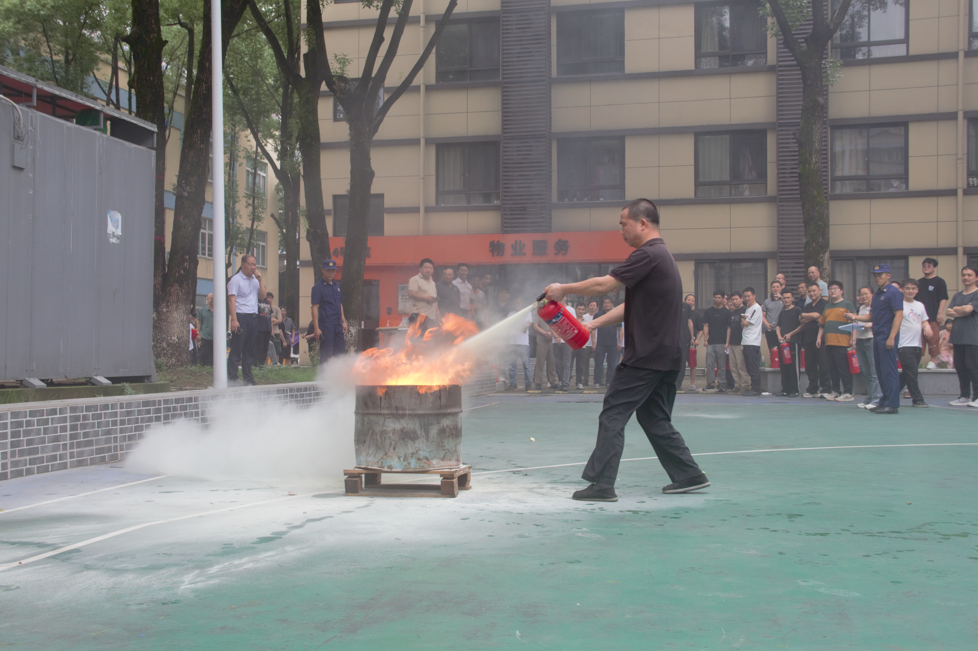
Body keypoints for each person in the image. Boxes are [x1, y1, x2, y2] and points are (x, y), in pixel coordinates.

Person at [544, 198, 709, 501]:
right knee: (654, 417)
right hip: (668, 357)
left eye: (624, 224)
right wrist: (592, 325)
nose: (621, 231)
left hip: (646, 356)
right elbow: (629, 308)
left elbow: (603, 286)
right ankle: (689, 474)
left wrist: (563, 289)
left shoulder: (647, 254)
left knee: (613, 414)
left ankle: (603, 484)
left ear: (642, 223)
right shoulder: (663, 257)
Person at [846, 264, 904, 414]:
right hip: (877, 336)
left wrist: (892, 336)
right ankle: (883, 401)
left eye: (881, 274)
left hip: (887, 336)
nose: (877, 277)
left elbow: (899, 314)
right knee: (880, 371)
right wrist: (855, 317)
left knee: (889, 371)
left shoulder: (893, 292)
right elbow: (871, 316)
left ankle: (892, 404)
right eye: (875, 275)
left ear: (888, 275)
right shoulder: (877, 294)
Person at [227, 253, 266, 385]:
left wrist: (260, 280)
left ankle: (248, 378)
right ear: (243, 265)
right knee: (237, 348)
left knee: (249, 350)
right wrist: (234, 319)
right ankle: (232, 377)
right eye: (250, 264)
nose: (253, 267)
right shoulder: (236, 280)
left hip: (253, 317)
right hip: (241, 316)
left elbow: (262, 295)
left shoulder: (255, 280)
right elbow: (231, 300)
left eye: (255, 264)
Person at [817, 280, 856, 401]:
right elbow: (822, 324)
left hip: (843, 342)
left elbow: (854, 323)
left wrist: (853, 339)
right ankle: (835, 390)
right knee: (832, 368)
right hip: (829, 342)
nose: (832, 291)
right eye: (830, 289)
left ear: (841, 291)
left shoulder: (847, 305)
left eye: (835, 288)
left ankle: (848, 392)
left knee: (843, 368)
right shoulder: (827, 306)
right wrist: (819, 337)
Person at [945, 266, 978, 406]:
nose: (966, 277)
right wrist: (963, 310)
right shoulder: (957, 295)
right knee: (960, 366)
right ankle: (964, 396)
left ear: (976, 277)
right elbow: (948, 311)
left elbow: (969, 309)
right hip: (957, 336)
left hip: (971, 336)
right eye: (964, 274)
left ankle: (976, 397)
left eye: (969, 275)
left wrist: (960, 309)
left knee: (973, 367)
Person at [896, 278, 932, 408]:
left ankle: (891, 394)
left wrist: (927, 328)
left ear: (917, 290)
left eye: (913, 289)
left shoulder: (920, 305)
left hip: (917, 345)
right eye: (907, 288)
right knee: (911, 373)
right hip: (903, 345)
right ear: (902, 290)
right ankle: (917, 399)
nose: (910, 291)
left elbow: (924, 321)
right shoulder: (898, 304)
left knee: (907, 373)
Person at [795, 284, 831, 398]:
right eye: (809, 292)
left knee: (823, 365)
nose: (812, 293)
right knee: (810, 366)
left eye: (814, 291)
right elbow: (801, 320)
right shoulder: (808, 305)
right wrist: (810, 317)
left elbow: (818, 316)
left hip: (821, 339)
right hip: (808, 338)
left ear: (820, 291)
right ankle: (812, 389)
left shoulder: (825, 304)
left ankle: (826, 388)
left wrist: (806, 315)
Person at [311, 259, 347, 365]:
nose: (331, 273)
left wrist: (343, 321)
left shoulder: (337, 286)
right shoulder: (318, 287)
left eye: (333, 270)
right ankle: (324, 377)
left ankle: (339, 376)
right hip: (326, 324)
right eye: (328, 270)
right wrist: (316, 328)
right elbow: (314, 307)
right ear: (323, 270)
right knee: (327, 352)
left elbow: (340, 304)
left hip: (338, 324)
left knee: (340, 352)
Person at [854, 286, 882, 409]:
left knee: (874, 372)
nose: (863, 296)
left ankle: (877, 399)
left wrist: (870, 325)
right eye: (861, 294)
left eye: (866, 294)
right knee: (867, 372)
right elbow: (858, 323)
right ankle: (869, 398)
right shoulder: (861, 308)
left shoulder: (876, 307)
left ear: (872, 294)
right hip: (860, 340)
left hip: (871, 340)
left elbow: (880, 322)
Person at [918, 258, 949, 368]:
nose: (926, 267)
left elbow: (943, 298)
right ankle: (917, 361)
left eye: (929, 265)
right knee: (918, 339)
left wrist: (940, 313)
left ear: (934, 268)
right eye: (924, 265)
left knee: (933, 338)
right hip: (918, 317)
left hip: (932, 315)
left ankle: (932, 361)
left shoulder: (939, 281)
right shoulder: (919, 282)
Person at [701, 291, 730, 392]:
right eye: (715, 297)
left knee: (722, 365)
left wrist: (727, 342)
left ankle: (721, 384)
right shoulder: (708, 311)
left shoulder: (727, 312)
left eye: (719, 297)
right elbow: (706, 325)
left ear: (723, 299)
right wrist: (705, 340)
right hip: (711, 342)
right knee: (709, 364)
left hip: (722, 342)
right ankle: (711, 383)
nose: (717, 299)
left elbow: (728, 328)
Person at [775, 289, 802, 397]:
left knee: (793, 367)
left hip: (793, 342)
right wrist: (779, 336)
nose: (786, 300)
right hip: (783, 344)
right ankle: (785, 389)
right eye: (784, 298)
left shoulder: (797, 310)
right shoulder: (782, 312)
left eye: (788, 298)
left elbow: (802, 325)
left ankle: (795, 389)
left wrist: (791, 334)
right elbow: (778, 325)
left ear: (792, 299)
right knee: (784, 366)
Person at [593, 297, 622, 387]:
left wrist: (620, 342)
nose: (607, 304)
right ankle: (597, 382)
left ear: (612, 304)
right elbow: (593, 329)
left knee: (612, 364)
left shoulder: (616, 314)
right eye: (605, 303)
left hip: (613, 344)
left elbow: (620, 329)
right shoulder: (598, 315)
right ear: (603, 304)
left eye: (608, 303)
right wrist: (594, 342)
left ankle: (609, 381)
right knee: (598, 363)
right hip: (600, 344)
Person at [740, 287, 763, 396]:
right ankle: (753, 387)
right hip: (746, 341)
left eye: (749, 296)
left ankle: (756, 388)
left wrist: (744, 320)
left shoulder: (756, 308)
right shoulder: (748, 309)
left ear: (754, 295)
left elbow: (746, 323)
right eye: (745, 296)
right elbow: (742, 324)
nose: (747, 298)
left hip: (752, 341)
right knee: (748, 366)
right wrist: (744, 321)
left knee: (753, 366)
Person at [726, 292, 749, 394]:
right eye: (732, 300)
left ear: (741, 299)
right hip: (732, 343)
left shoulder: (745, 310)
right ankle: (737, 385)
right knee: (733, 366)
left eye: (736, 299)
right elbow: (729, 328)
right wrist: (727, 342)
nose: (734, 302)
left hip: (741, 342)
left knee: (741, 365)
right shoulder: (732, 313)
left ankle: (745, 385)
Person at [508, 298, 533, 391]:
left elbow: (526, 326)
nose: (517, 303)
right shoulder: (510, 314)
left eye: (518, 301)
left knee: (526, 365)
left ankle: (528, 384)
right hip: (512, 342)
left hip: (523, 343)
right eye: (515, 302)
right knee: (512, 365)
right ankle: (512, 384)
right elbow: (508, 326)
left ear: (522, 302)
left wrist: (515, 323)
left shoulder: (527, 313)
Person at [408, 258, 438, 326]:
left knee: (431, 336)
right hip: (419, 316)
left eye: (430, 268)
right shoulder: (415, 279)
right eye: (426, 267)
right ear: (420, 269)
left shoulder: (432, 282)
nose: (428, 270)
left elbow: (434, 298)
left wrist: (437, 311)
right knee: (419, 336)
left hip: (431, 317)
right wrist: (426, 299)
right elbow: (411, 294)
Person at [532, 310, 558, 390]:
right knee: (540, 362)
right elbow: (535, 326)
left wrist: (551, 333)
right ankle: (538, 382)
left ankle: (553, 381)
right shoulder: (536, 312)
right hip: (541, 339)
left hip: (552, 339)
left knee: (552, 362)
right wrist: (545, 333)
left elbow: (555, 324)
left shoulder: (553, 312)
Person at [552, 300, 573, 392]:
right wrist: (557, 337)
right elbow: (551, 324)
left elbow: (572, 324)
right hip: (556, 341)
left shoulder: (570, 310)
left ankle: (565, 384)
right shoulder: (553, 309)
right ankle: (561, 382)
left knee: (566, 364)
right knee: (558, 364)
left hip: (567, 341)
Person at [685, 294, 703, 392]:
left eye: (692, 301)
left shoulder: (695, 314)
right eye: (689, 300)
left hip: (692, 343)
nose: (690, 302)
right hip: (682, 341)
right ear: (685, 301)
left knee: (692, 363)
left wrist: (697, 339)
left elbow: (701, 329)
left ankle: (692, 384)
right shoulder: (681, 312)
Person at [574, 302, 592, 389]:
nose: (580, 311)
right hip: (571, 345)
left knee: (580, 366)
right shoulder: (572, 320)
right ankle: (565, 382)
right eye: (579, 309)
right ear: (576, 309)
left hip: (582, 346)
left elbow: (587, 333)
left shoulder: (586, 322)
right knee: (568, 365)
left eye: (582, 309)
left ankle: (579, 382)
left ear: (585, 311)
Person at [762, 280, 784, 351]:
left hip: (782, 330)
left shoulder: (784, 300)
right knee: (773, 352)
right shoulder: (767, 302)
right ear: (771, 289)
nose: (775, 289)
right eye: (773, 287)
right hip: (771, 331)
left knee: (783, 352)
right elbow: (763, 316)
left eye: (777, 287)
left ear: (781, 288)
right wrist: (767, 324)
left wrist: (781, 298)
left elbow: (789, 306)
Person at [255, 290, 274, 366]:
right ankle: (256, 365)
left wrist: (271, 328)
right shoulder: (256, 300)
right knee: (258, 347)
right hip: (259, 328)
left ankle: (262, 365)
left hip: (267, 328)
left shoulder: (267, 302)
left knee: (265, 348)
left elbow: (270, 315)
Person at [197, 293, 215, 366]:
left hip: (216, 338)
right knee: (206, 355)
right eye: (211, 298)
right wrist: (197, 334)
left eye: (214, 298)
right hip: (205, 336)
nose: (213, 300)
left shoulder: (220, 310)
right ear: (207, 299)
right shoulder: (202, 310)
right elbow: (199, 323)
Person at [269, 292, 283, 363]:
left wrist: (271, 322)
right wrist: (273, 320)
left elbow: (280, 320)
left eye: (270, 298)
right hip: (266, 332)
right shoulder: (264, 307)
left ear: (272, 298)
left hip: (276, 332)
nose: (268, 299)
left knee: (277, 350)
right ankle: (265, 366)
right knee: (265, 350)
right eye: (267, 298)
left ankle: (275, 365)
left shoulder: (276, 309)